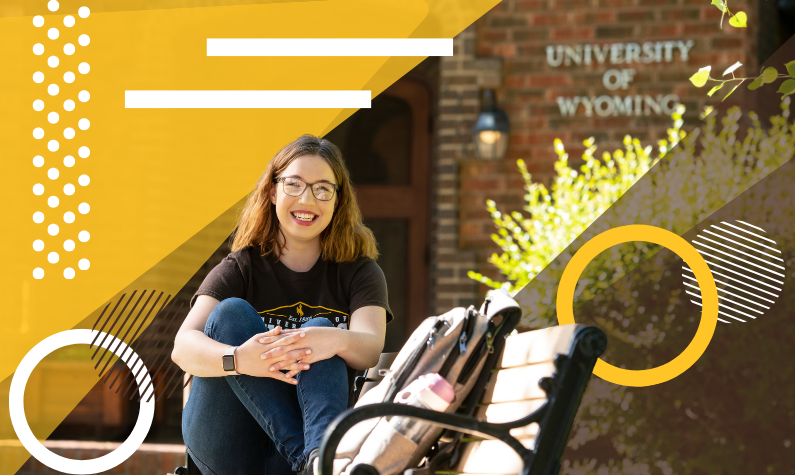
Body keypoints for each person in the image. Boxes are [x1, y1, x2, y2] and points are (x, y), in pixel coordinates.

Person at [172, 134, 393, 475]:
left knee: (321, 330)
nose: (307, 199)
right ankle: (314, 462)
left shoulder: (359, 272)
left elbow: (370, 348)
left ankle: (314, 459)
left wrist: (330, 339)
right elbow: (183, 348)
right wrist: (240, 359)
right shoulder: (240, 268)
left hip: (308, 434)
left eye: (323, 189)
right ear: (273, 192)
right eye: (294, 184)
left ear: (338, 200)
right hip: (229, 445)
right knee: (230, 313)